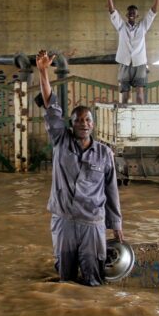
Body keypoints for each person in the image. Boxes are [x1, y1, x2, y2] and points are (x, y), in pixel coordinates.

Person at [36, 50, 124, 286]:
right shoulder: (60, 141)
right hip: (64, 220)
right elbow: (51, 106)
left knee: (94, 277)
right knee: (65, 277)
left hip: (92, 222)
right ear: (71, 124)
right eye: (78, 120)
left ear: (93, 125)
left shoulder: (104, 154)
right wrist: (43, 72)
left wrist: (116, 225)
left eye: (87, 120)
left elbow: (111, 192)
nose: (83, 124)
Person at [105, 0, 159, 104]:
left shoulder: (143, 26)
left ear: (137, 15)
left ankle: (140, 115)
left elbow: (154, 11)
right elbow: (112, 11)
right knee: (125, 97)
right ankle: (125, 116)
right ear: (126, 15)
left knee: (140, 96)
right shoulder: (121, 26)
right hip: (124, 62)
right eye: (130, 12)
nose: (132, 14)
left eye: (134, 12)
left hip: (140, 63)